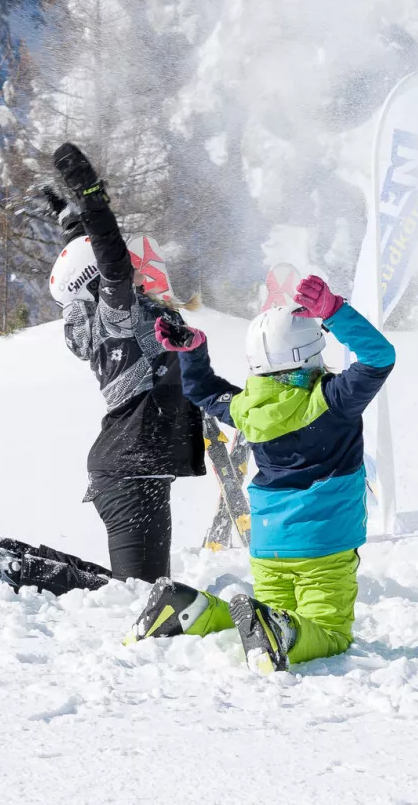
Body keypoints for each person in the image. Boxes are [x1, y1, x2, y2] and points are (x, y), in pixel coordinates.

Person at [124, 274, 395, 674]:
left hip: (269, 544)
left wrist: (194, 352)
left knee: (268, 620)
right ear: (312, 348)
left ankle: (191, 610)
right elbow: (379, 356)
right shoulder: (334, 399)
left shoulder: (245, 408)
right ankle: (278, 632)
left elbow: (203, 391)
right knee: (328, 633)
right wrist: (336, 312)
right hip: (325, 543)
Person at [0, 143, 206, 595]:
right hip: (129, 469)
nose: (141, 271)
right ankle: (16, 570)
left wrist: (71, 222)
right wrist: (90, 194)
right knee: (140, 595)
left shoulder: (113, 318)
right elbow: (110, 259)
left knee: (142, 589)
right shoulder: (119, 316)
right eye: (131, 269)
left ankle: (15, 562)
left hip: (139, 467)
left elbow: (93, 263)